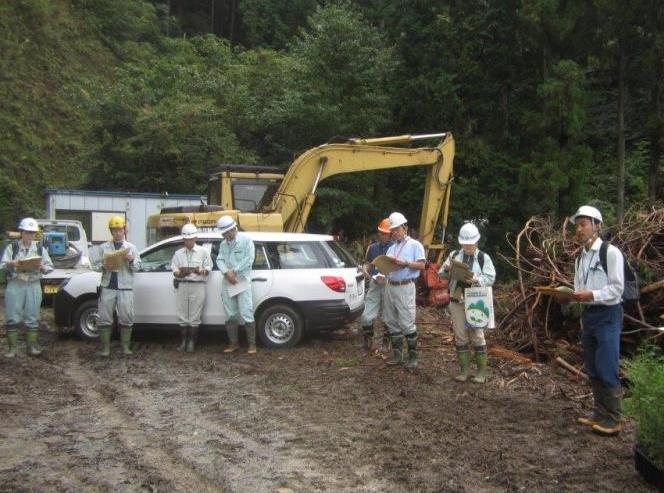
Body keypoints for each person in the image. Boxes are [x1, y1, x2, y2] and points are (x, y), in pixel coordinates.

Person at [570, 205, 624, 436]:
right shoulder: (580, 258)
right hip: (589, 315)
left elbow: (617, 289)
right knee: (592, 365)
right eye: (577, 226)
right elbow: (577, 288)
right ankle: (600, 413)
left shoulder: (610, 253)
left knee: (607, 364)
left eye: (583, 224)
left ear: (597, 226)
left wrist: (591, 295)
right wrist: (567, 297)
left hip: (608, 315)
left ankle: (614, 418)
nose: (579, 230)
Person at [439, 223, 496, 383]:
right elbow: (441, 275)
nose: (468, 246)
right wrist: (448, 270)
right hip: (456, 300)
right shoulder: (454, 255)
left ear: (477, 242)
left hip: (475, 301)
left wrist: (476, 279)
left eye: (471, 243)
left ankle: (481, 373)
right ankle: (464, 371)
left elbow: (491, 278)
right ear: (461, 243)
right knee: (460, 336)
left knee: (477, 335)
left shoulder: (483, 258)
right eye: (465, 243)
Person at [1, 217, 53, 357]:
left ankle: (32, 347)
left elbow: (50, 268)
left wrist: (42, 267)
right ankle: (12, 349)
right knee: (12, 315)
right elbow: (2, 265)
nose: (30, 235)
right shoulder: (12, 247)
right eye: (27, 232)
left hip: (33, 284)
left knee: (33, 315)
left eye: (32, 232)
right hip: (15, 283)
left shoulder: (40, 249)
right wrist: (11, 264)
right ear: (21, 232)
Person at [382, 212, 426, 369]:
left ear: (405, 227)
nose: (394, 232)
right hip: (390, 285)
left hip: (405, 286)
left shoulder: (415, 245)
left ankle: (413, 358)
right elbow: (386, 268)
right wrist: (381, 274)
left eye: (397, 229)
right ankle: (397, 355)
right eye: (392, 230)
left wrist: (406, 264)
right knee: (391, 320)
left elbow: (422, 265)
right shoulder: (391, 248)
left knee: (407, 322)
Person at [92, 216, 141, 357]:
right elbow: (94, 266)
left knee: (126, 317)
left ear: (124, 230)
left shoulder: (131, 248)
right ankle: (105, 348)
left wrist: (131, 260)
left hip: (125, 287)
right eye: (114, 230)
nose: (117, 233)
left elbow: (138, 267)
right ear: (111, 231)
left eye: (120, 230)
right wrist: (103, 266)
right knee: (105, 317)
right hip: (108, 286)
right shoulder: (103, 247)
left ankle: (125, 347)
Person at [216, 215, 257, 354]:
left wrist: (234, 271)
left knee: (246, 311)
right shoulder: (223, 244)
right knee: (230, 314)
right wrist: (227, 272)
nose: (225, 236)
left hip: (242, 280)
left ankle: (252, 345)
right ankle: (234, 343)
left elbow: (249, 259)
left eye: (226, 233)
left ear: (233, 230)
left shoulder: (246, 240)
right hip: (228, 281)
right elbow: (219, 259)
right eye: (223, 234)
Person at [171, 223, 212, 352]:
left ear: (195, 238)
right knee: (182, 315)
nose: (189, 241)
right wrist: (179, 273)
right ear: (183, 239)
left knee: (195, 316)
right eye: (186, 239)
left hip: (198, 285)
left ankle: (191, 343)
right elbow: (174, 269)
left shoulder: (203, 252)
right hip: (182, 285)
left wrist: (202, 271)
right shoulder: (178, 253)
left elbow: (209, 267)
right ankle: (183, 342)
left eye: (191, 238)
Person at [359, 219, 393, 351]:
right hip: (374, 283)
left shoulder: (395, 248)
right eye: (380, 233)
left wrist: (387, 278)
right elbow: (368, 263)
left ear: (391, 234)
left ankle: (386, 342)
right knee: (367, 315)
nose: (382, 235)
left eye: (385, 233)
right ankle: (368, 341)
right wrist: (365, 269)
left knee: (388, 315)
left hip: (389, 285)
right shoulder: (373, 248)